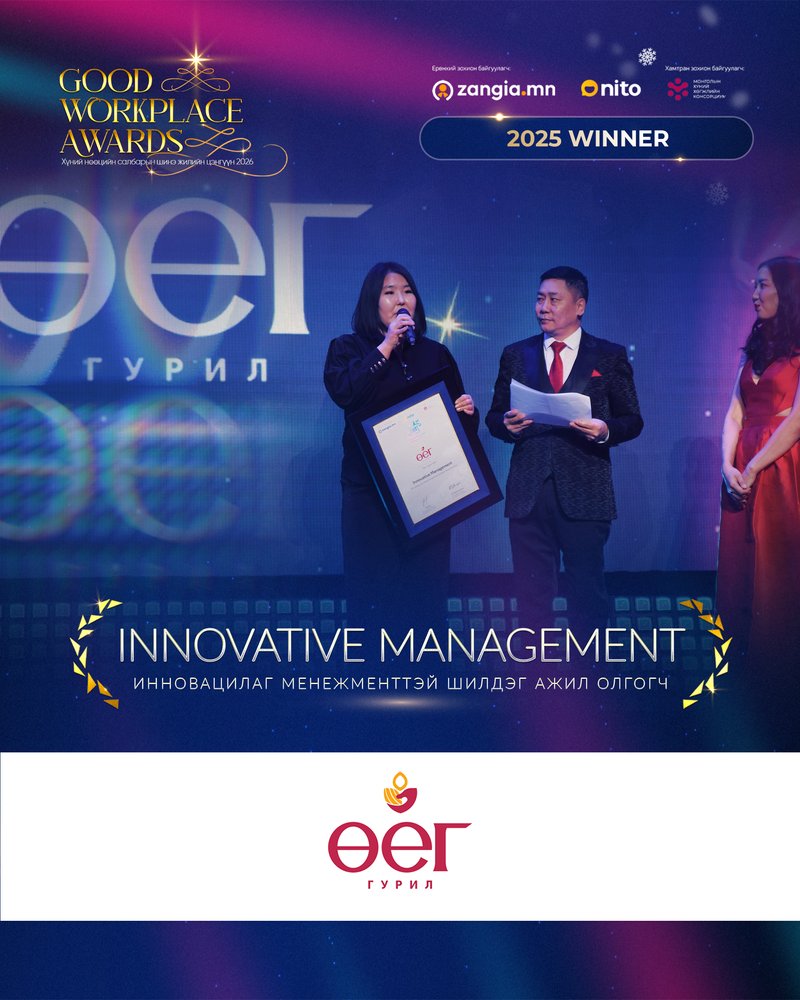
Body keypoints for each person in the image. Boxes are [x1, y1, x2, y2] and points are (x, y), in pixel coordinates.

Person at [486, 265, 643, 636]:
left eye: (554, 299)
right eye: (539, 299)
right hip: (528, 492)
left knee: (587, 593)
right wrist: (505, 425)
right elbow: (494, 416)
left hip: (586, 490)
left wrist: (605, 430)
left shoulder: (608, 355)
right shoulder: (516, 354)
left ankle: (591, 667)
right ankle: (535, 668)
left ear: (580, 305)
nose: (543, 307)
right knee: (531, 597)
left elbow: (632, 420)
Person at [324, 262, 477, 631]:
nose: (401, 300)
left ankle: (425, 665)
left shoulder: (435, 353)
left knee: (425, 595)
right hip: (369, 494)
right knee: (372, 595)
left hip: (428, 493)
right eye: (389, 292)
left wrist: (466, 413)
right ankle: (372, 667)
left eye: (407, 291)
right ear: (371, 301)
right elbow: (345, 393)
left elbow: (460, 431)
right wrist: (388, 345)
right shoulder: (347, 349)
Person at [717, 256, 800, 672]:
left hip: (781, 462)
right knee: (741, 559)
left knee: (777, 559)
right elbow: (734, 412)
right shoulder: (755, 348)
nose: (754, 293)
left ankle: (777, 666)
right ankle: (739, 662)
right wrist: (727, 466)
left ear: (787, 291)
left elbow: (798, 419)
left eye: (763, 285)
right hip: (742, 461)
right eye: (754, 285)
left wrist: (753, 467)